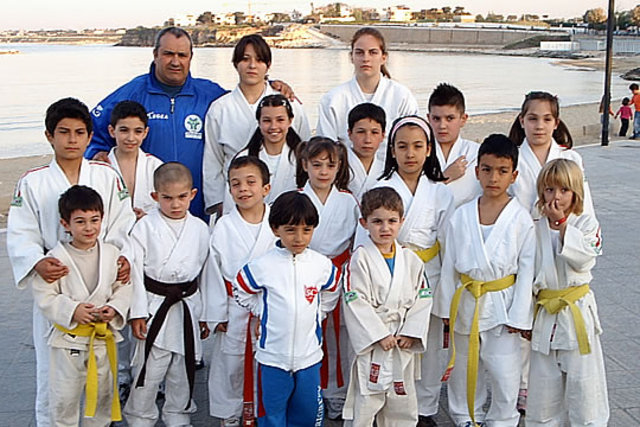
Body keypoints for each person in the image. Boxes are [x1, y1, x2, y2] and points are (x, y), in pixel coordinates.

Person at [7, 97, 136, 427]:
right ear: (49, 136)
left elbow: (122, 222)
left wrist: (122, 257)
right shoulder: (33, 181)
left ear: (90, 136)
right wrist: (36, 262)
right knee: (51, 376)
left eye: (79, 133)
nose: (72, 140)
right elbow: (21, 231)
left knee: (101, 374)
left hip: (99, 280)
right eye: (63, 132)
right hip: (58, 282)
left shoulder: (106, 175)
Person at [86, 28, 295, 221]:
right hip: (152, 205)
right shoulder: (132, 92)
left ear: (191, 57)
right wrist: (96, 152)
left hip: (196, 205)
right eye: (168, 54)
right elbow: (90, 127)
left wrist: (271, 86)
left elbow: (246, 99)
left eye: (182, 55)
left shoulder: (209, 94)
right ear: (155, 55)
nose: (175, 61)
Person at [433, 134, 535, 427]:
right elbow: (450, 264)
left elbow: (526, 270)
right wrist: (446, 309)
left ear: (514, 175)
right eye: (487, 170)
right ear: (477, 171)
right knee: (465, 366)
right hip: (466, 299)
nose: (494, 178)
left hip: (503, 303)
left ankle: (503, 418)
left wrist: (521, 315)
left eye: (502, 171)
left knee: (505, 369)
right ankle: (465, 415)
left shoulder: (521, 219)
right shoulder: (462, 215)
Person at [373, 116, 454, 427]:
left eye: (418, 146)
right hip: (389, 275)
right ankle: (390, 407)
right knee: (391, 343)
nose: (410, 153)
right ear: (392, 150)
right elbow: (365, 238)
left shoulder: (440, 193)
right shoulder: (379, 188)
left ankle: (425, 408)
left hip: (429, 276)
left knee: (429, 346)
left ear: (429, 149)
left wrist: (447, 294)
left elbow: (449, 246)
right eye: (403, 146)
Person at [234, 191, 340, 426]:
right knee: (272, 413)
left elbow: (333, 288)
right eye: (291, 230)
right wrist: (263, 311)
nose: (299, 238)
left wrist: (319, 312)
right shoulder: (262, 266)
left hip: (309, 357)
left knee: (308, 412)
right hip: (272, 357)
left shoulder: (321, 265)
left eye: (306, 230)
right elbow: (240, 288)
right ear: (275, 229)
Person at [31, 185, 132, 426]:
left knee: (103, 396)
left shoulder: (112, 254)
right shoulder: (55, 259)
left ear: (102, 219)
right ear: (65, 224)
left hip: (101, 337)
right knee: (64, 398)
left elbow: (123, 287)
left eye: (94, 220)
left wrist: (114, 308)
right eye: (80, 221)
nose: (89, 228)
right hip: (68, 341)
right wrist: (72, 310)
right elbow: (45, 296)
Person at [124, 162, 210, 426]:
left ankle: (178, 416)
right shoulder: (143, 228)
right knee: (149, 370)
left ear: (192, 194)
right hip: (154, 305)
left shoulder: (200, 228)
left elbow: (207, 275)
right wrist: (137, 313)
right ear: (155, 196)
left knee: (182, 370)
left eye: (182, 197)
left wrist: (207, 314)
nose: (175, 204)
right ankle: (140, 417)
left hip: (187, 305)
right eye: (167, 197)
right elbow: (135, 274)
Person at [526, 159, 609, 426]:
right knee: (543, 388)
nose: (556, 197)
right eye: (550, 189)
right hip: (545, 312)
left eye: (564, 190)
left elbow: (584, 260)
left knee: (584, 384)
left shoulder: (586, 223)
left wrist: (562, 225)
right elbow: (526, 269)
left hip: (576, 312)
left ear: (576, 192)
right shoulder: (533, 221)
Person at [342, 187, 432, 426]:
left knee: (402, 401)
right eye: (377, 221)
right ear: (364, 223)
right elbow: (354, 300)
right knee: (366, 400)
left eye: (392, 221)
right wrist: (379, 335)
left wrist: (411, 332)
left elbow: (423, 297)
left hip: (401, 338)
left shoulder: (410, 259)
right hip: (374, 342)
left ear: (402, 221)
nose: (385, 228)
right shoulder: (359, 259)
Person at [202, 156, 277, 426]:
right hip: (234, 307)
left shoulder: (277, 222)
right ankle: (230, 414)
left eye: (250, 182)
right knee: (230, 364)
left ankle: (262, 410)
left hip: (270, 308)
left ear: (266, 188)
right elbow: (213, 273)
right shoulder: (223, 226)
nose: (243, 189)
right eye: (235, 184)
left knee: (268, 362)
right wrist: (216, 314)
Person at [203, 34, 310, 218]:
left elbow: (306, 149)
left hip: (288, 193)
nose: (252, 66)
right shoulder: (220, 108)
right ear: (236, 63)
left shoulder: (290, 104)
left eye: (259, 60)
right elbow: (213, 161)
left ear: (268, 65)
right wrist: (218, 203)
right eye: (245, 59)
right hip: (239, 196)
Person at [296, 137, 360, 419]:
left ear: (339, 167)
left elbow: (358, 241)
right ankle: (308, 393)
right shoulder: (296, 198)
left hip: (339, 271)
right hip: (304, 271)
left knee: (339, 336)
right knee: (305, 334)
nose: (323, 171)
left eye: (330, 165)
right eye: (317, 165)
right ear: (305, 165)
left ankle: (336, 393)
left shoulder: (348, 201)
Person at [316, 27, 419, 157]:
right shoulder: (333, 99)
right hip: (346, 169)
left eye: (373, 52)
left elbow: (412, 142)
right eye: (359, 52)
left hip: (391, 168)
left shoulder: (402, 96)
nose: (366, 58)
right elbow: (326, 148)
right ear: (351, 57)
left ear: (384, 57)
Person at [509, 91, 595, 220]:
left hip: (565, 229)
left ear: (556, 123)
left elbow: (584, 206)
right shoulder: (510, 159)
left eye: (547, 119)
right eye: (532, 119)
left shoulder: (571, 158)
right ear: (522, 121)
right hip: (521, 230)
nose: (539, 126)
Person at [230, 94, 302, 211]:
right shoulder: (244, 157)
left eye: (280, 120)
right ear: (259, 122)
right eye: (267, 121)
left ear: (290, 121)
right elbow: (231, 203)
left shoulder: (302, 157)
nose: (273, 126)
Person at [427, 83, 482, 208]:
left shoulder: (476, 153)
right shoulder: (420, 154)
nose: (442, 126)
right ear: (428, 118)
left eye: (450, 118)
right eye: (436, 119)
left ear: (463, 119)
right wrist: (444, 177)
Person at [107, 100, 163, 220]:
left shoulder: (156, 167)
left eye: (138, 131)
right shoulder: (100, 168)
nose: (131, 138)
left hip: (148, 230)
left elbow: (168, 207)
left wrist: (148, 218)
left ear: (145, 132)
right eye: (124, 130)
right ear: (112, 131)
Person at [346, 103, 387, 200]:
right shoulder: (338, 166)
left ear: (383, 135)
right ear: (350, 133)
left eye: (374, 132)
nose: (368, 140)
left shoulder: (386, 169)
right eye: (361, 132)